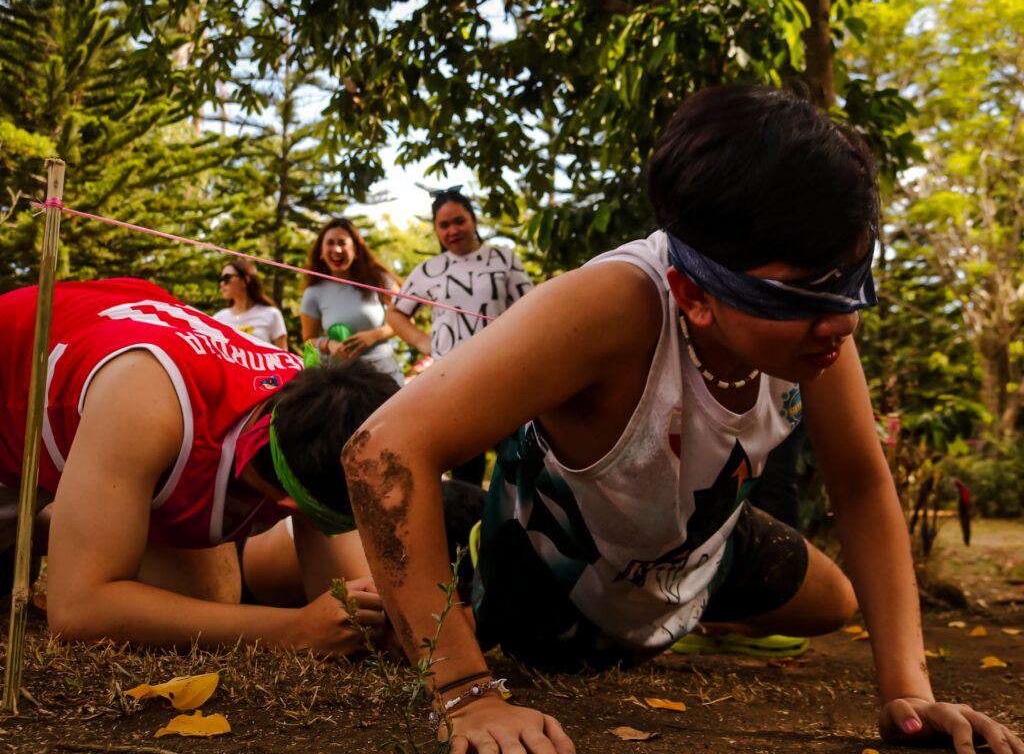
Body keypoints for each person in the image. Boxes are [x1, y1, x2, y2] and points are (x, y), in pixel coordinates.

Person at [343, 86, 1023, 754]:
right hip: (551, 581)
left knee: (834, 601)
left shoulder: (816, 325)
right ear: (694, 296)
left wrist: (908, 690)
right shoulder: (612, 305)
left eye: (854, 276)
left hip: (696, 549)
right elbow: (382, 449)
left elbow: (861, 482)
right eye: (809, 292)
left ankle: (677, 616)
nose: (844, 318)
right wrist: (465, 691)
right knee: (489, 609)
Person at [0, 278, 394, 655]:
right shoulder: (144, 405)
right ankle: (41, 521)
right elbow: (77, 611)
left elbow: (347, 603)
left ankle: (68, 521)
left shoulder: (316, 410)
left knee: (204, 598)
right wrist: (293, 630)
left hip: (102, 344)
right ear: (294, 507)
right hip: (22, 365)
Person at [386, 187, 534, 484]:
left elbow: (531, 307)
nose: (452, 230)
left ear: (473, 221)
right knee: (465, 469)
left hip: (501, 374)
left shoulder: (503, 259)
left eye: (459, 221)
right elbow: (395, 313)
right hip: (451, 378)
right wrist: (424, 342)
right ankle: (468, 526)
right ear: (437, 231)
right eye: (444, 225)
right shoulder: (429, 270)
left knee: (518, 461)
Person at [301, 218, 404, 387]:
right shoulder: (313, 293)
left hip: (383, 372)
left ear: (356, 250)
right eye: (330, 243)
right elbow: (308, 339)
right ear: (321, 251)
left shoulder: (380, 281)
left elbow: (407, 322)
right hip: (341, 379)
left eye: (342, 243)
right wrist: (329, 344)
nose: (336, 249)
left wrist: (374, 335)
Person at [212, 257, 289, 349]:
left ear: (245, 280)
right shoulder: (218, 319)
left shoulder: (271, 314)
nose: (222, 283)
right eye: (220, 279)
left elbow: (284, 356)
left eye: (226, 278)